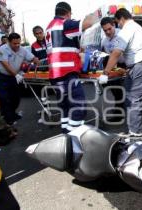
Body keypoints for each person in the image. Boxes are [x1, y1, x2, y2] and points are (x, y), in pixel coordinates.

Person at [103, 8, 142, 135]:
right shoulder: (138, 28)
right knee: (141, 102)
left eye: (117, 23)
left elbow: (116, 53)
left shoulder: (126, 29)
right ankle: (139, 131)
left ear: (121, 19)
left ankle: (135, 136)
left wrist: (105, 73)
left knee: (133, 102)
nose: (118, 26)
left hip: (139, 66)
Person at [45, 1, 94, 133]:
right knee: (79, 107)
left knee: (66, 108)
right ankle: (73, 139)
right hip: (67, 74)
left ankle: (65, 137)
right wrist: (95, 14)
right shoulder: (64, 24)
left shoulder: (50, 27)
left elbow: (63, 46)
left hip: (55, 76)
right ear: (68, 13)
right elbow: (88, 23)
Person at [0, 33, 39, 127]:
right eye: (15, 43)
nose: (17, 45)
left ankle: (12, 114)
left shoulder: (22, 50)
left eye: (19, 43)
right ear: (8, 42)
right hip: (2, 76)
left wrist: (37, 61)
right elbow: (5, 64)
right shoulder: (3, 49)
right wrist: (16, 75)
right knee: (4, 98)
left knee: (15, 98)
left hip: (14, 77)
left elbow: (32, 58)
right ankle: (8, 119)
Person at [100, 17, 125, 122]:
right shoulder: (104, 41)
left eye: (109, 29)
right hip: (114, 67)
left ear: (113, 25)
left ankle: (121, 114)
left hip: (125, 65)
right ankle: (119, 111)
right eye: (105, 30)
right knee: (116, 90)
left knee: (122, 91)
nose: (108, 32)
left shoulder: (122, 35)